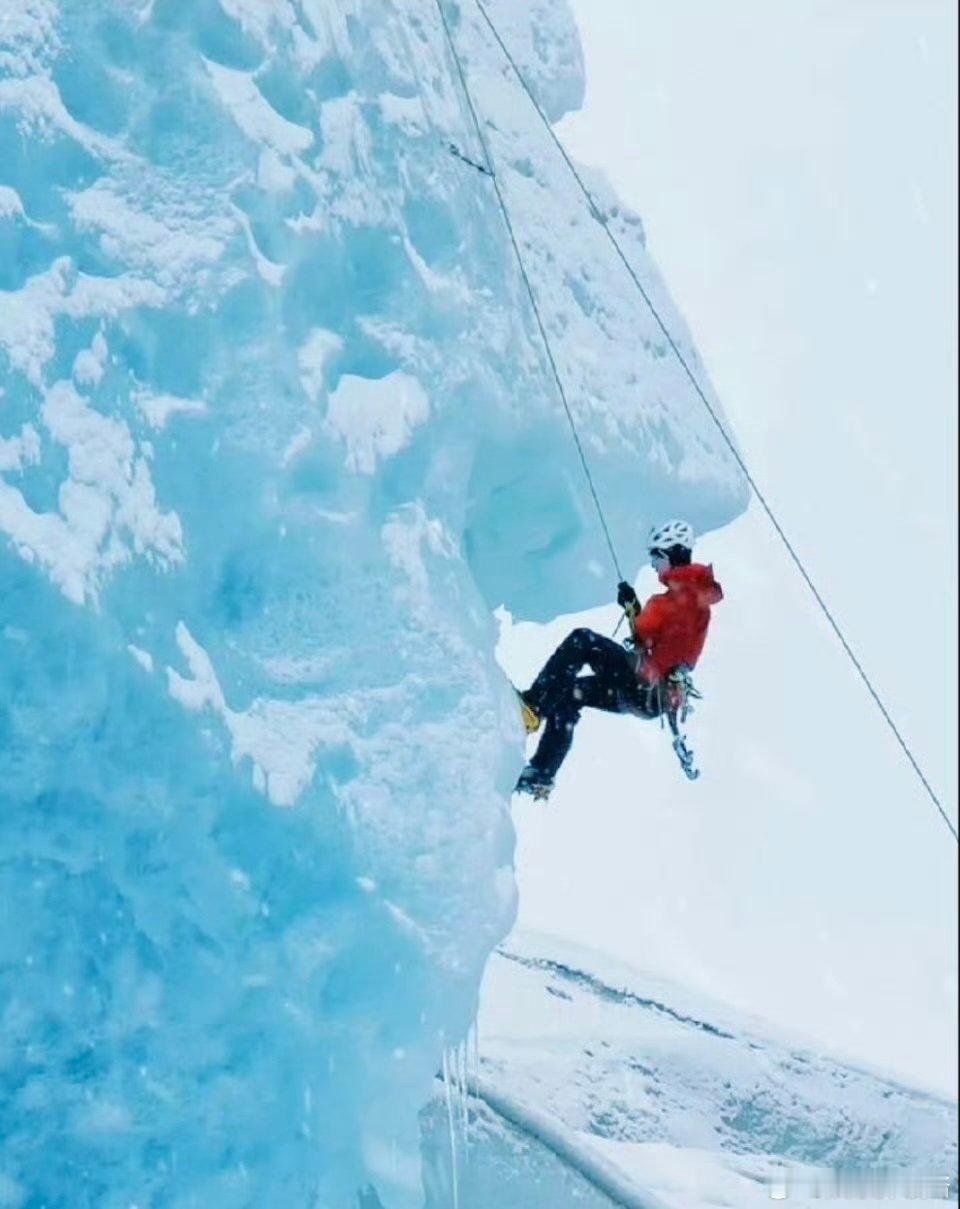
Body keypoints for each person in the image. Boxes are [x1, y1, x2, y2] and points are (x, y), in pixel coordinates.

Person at [514, 520, 723, 799]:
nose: (653, 565)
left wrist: (638, 614)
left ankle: (533, 708)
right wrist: (633, 607)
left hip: (645, 684)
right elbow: (657, 637)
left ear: (672, 553)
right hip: (649, 698)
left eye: (656, 557)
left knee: (582, 640)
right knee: (570, 694)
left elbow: (654, 637)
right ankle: (541, 773)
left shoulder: (685, 596)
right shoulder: (692, 597)